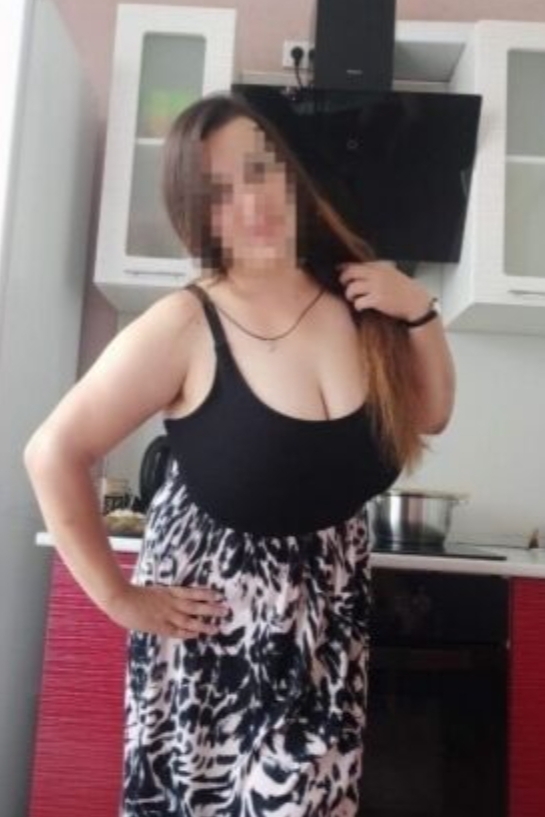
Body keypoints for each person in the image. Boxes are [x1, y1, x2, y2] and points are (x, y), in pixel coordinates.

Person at [24, 90, 455, 817]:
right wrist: (118, 598)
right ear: (197, 214)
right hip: (214, 639)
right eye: (219, 192)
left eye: (259, 170)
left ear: (288, 173)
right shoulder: (184, 324)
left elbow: (432, 413)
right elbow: (52, 452)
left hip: (328, 623)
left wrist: (417, 309)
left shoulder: (358, 296)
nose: (251, 203)